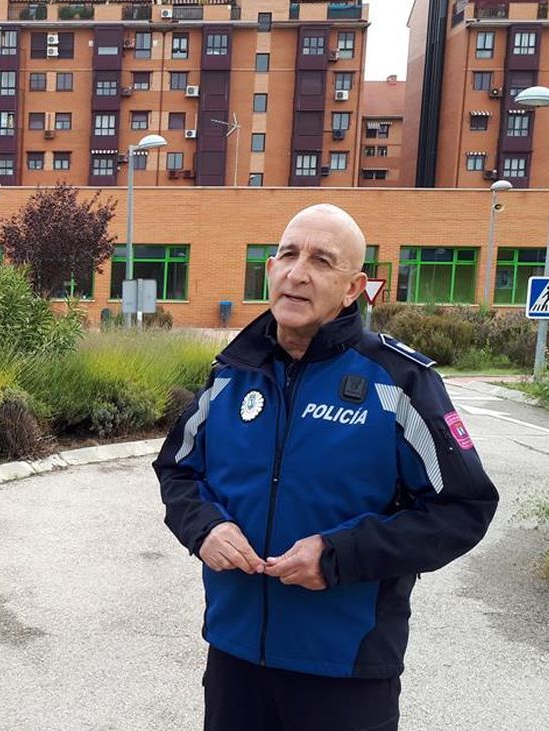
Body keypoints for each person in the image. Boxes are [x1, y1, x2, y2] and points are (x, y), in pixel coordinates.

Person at [154, 204, 498, 731]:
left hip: (346, 669)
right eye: (288, 255)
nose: (297, 272)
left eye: (321, 260)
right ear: (270, 269)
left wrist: (338, 556)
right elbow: (177, 470)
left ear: (353, 287)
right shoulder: (231, 374)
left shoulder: (398, 382)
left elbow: (462, 509)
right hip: (236, 658)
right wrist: (207, 528)